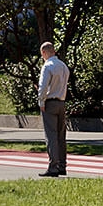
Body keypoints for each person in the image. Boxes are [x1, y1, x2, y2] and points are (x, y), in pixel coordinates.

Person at [37, 41, 69, 176]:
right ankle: (62, 165)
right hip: (61, 102)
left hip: (50, 103)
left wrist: (41, 101)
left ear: (44, 52)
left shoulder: (47, 66)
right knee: (61, 136)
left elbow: (43, 87)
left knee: (51, 135)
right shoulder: (63, 66)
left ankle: (53, 167)